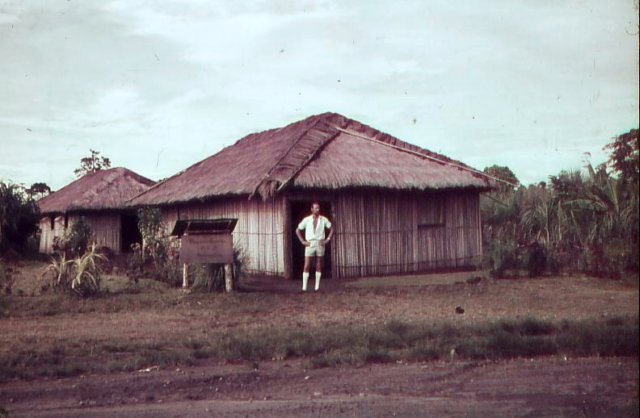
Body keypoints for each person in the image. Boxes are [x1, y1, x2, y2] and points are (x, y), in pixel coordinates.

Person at [295, 202, 334, 292]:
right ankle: (304, 288)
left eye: (318, 208)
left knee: (319, 265)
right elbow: (297, 230)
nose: (317, 210)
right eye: (315, 208)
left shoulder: (323, 219)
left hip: (320, 243)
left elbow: (332, 228)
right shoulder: (307, 219)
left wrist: (327, 239)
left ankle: (317, 288)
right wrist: (303, 241)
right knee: (306, 265)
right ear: (311, 209)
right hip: (310, 243)